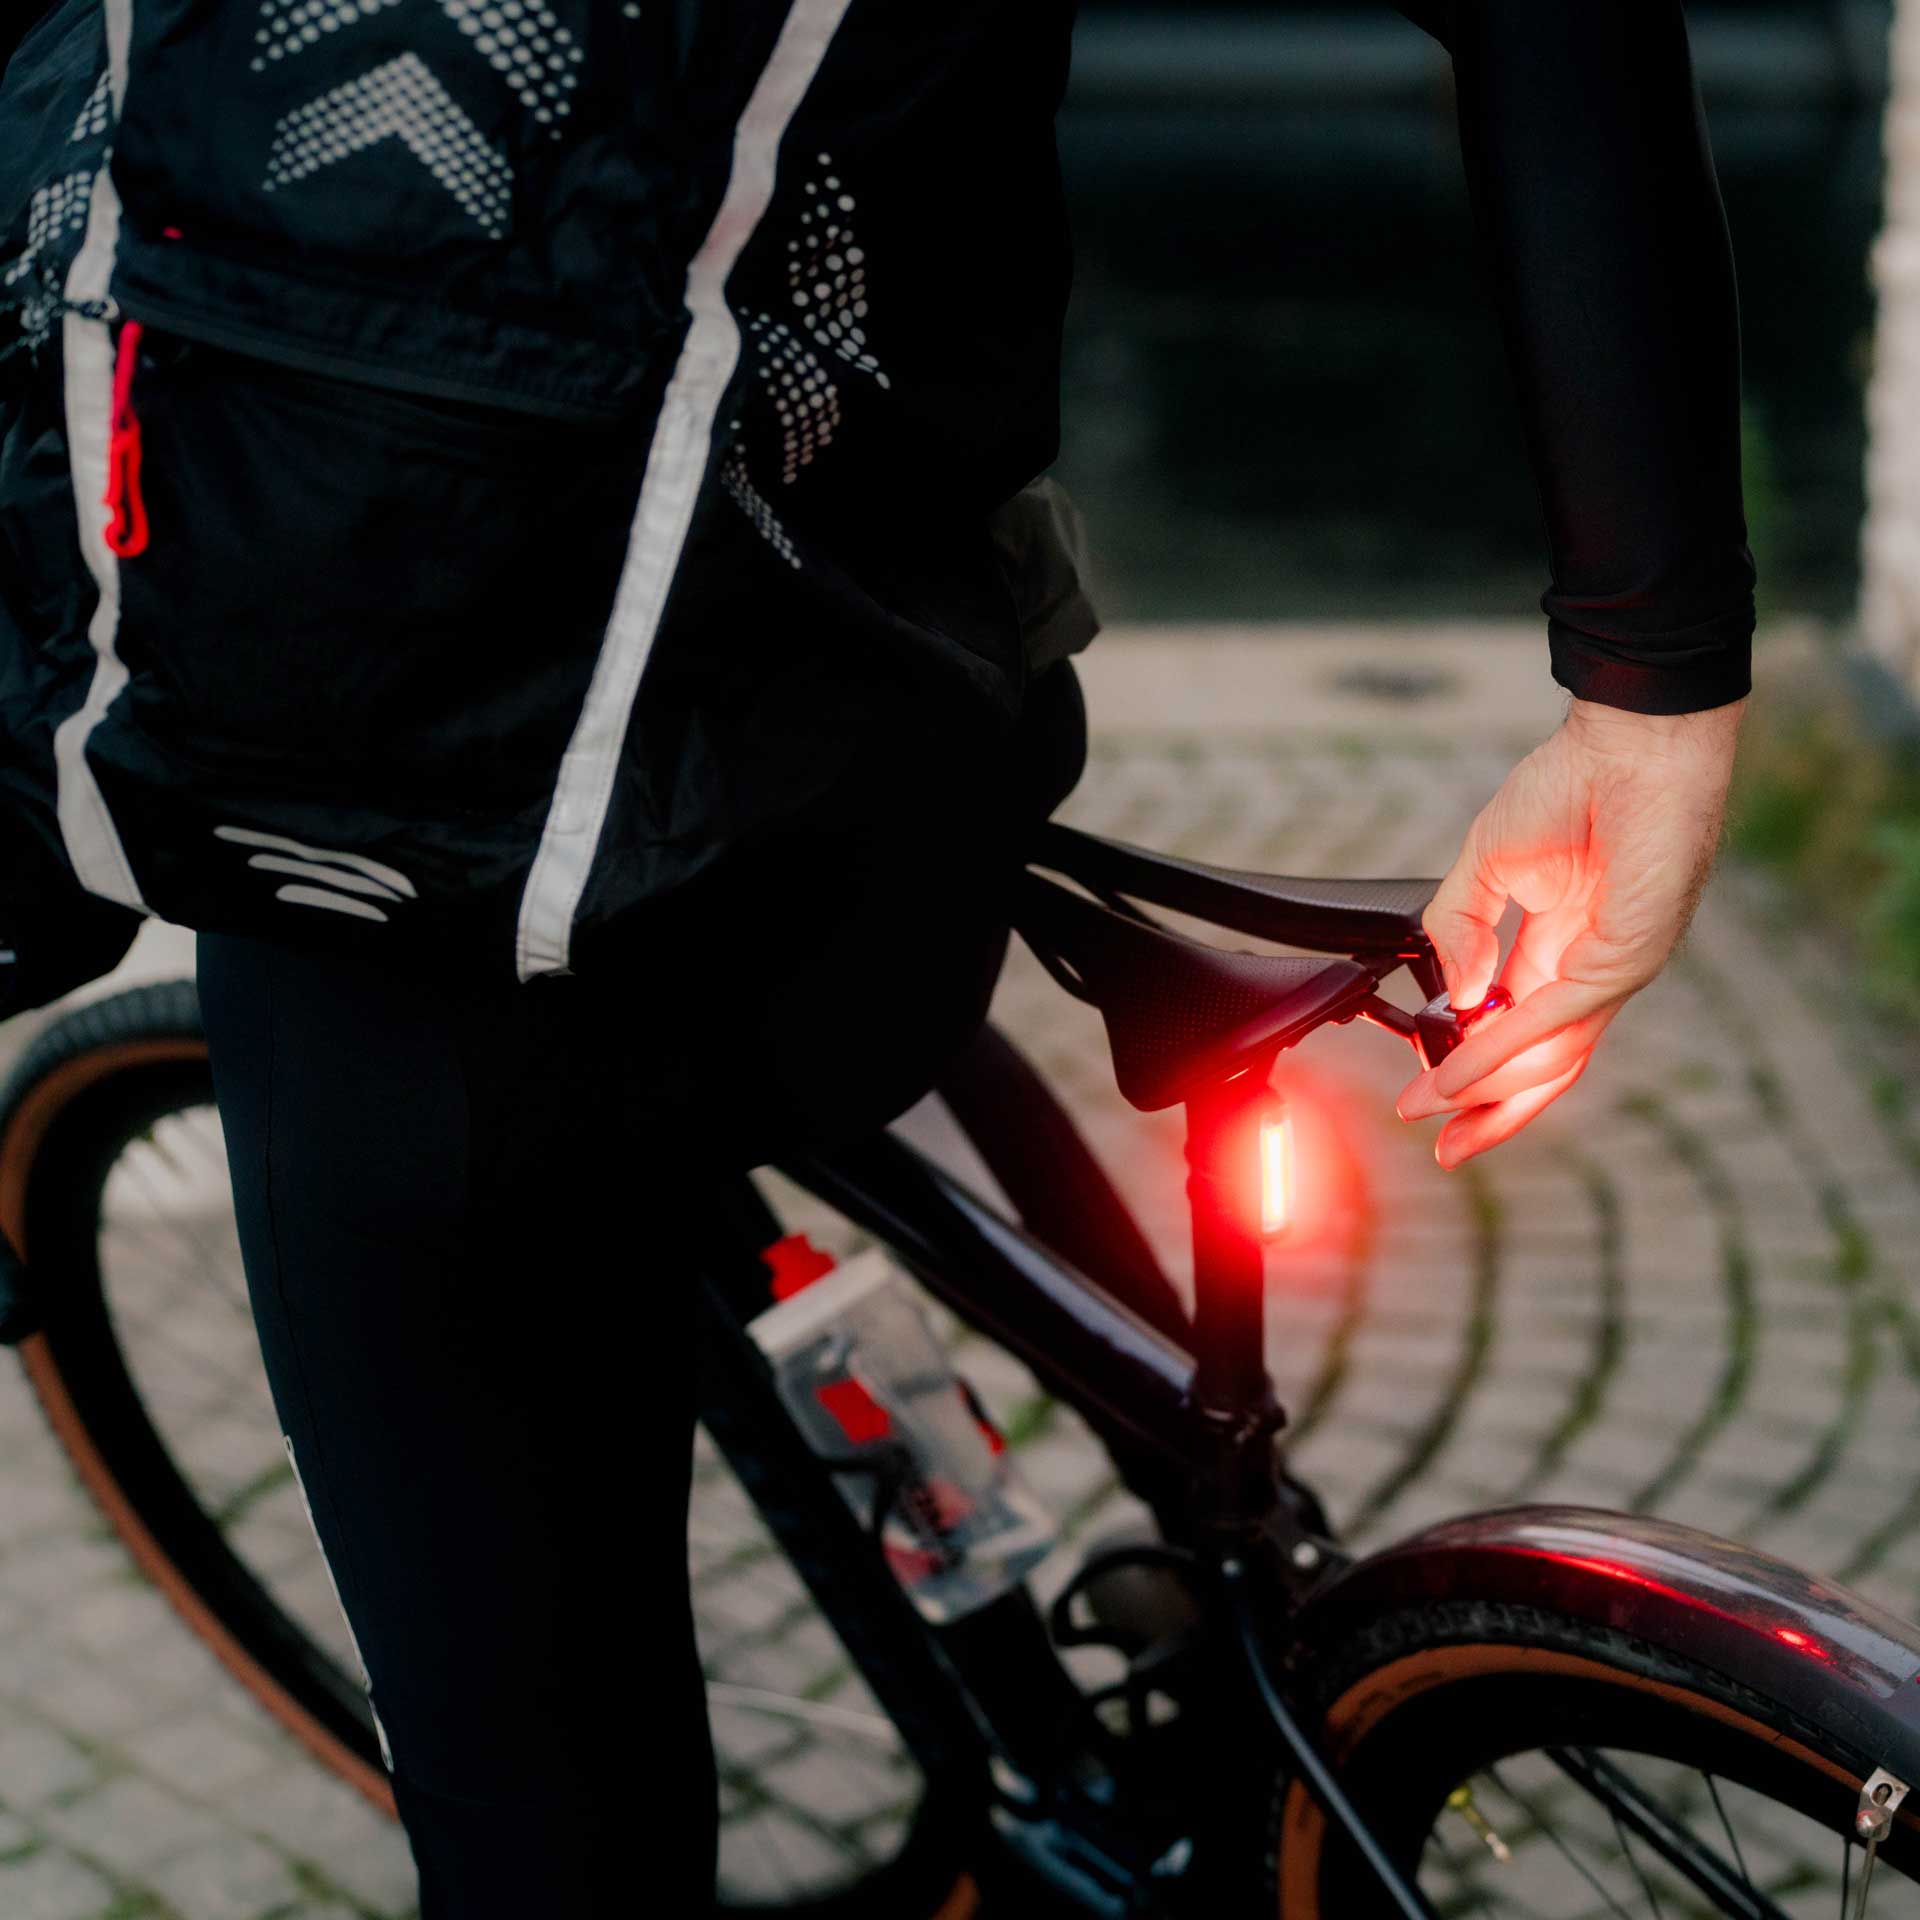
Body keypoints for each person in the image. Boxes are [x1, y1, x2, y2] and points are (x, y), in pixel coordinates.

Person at [0, 0, 1752, 1910]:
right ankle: (1211, 1576)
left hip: (389, 873)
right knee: (829, 1012)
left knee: (540, 1821)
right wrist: (1650, 693)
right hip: (877, 791)